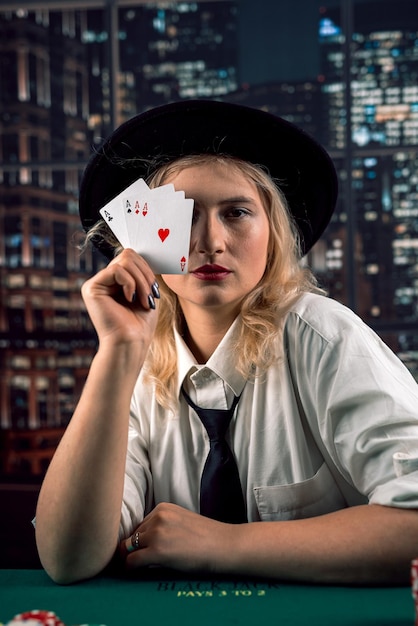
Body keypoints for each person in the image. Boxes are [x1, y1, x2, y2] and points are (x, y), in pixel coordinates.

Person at [35, 100, 418, 586]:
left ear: (273, 237)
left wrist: (221, 544)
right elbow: (68, 559)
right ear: (143, 239)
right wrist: (116, 352)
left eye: (236, 212)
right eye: (186, 215)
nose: (211, 241)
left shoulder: (325, 335)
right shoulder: (135, 363)